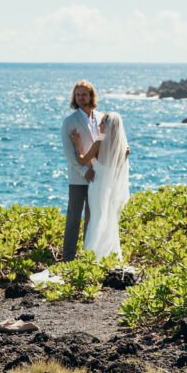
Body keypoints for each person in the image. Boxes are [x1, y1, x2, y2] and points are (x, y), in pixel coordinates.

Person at [68, 112, 128, 260]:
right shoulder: (123, 148)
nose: (99, 125)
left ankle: (93, 254)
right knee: (108, 219)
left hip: (96, 186)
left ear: (107, 126)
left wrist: (77, 144)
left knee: (95, 218)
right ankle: (109, 254)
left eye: (102, 123)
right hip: (110, 187)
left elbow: (82, 161)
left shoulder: (99, 144)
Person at [60, 81, 101, 261]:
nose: (80, 97)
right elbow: (69, 154)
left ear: (91, 96)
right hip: (78, 178)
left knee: (92, 220)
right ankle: (68, 258)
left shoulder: (101, 118)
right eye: (78, 95)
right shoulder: (69, 121)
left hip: (99, 177)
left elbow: (105, 144)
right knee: (73, 219)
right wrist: (84, 171)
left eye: (84, 94)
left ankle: (87, 255)